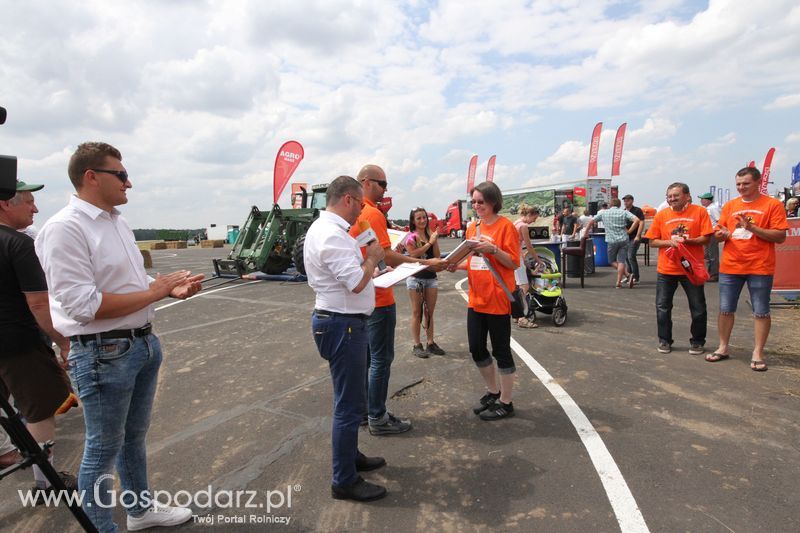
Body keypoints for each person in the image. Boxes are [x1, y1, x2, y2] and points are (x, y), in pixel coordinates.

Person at [35, 142, 203, 532]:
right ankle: (100, 526)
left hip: (138, 343)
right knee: (102, 447)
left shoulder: (116, 222)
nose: (130, 182)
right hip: (102, 351)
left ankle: (140, 509)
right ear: (91, 177)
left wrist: (165, 288)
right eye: (121, 175)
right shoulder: (65, 228)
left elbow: (129, 281)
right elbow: (82, 305)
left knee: (132, 437)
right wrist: (156, 291)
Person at [304, 176, 388, 502]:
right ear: (349, 199)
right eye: (360, 205)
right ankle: (343, 479)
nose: (361, 214)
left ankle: (351, 457)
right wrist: (372, 257)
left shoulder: (329, 231)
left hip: (343, 323)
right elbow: (354, 281)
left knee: (350, 401)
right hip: (343, 326)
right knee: (348, 405)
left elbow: (353, 277)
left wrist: (372, 270)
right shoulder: (331, 234)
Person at [350, 165, 445, 436]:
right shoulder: (372, 214)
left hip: (363, 296)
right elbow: (387, 255)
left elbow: (371, 255)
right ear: (366, 183)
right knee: (380, 359)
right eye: (382, 184)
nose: (386, 189)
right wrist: (423, 261)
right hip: (379, 298)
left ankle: (365, 412)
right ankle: (378, 417)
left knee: (367, 360)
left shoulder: (354, 215)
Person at [0, 179, 77, 497]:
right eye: (28, 202)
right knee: (40, 411)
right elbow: (37, 304)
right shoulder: (18, 244)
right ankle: (46, 484)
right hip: (19, 346)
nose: (35, 208)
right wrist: (61, 340)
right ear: (6, 203)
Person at [447, 181, 520, 420]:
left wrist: (493, 249)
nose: (477, 206)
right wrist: (455, 265)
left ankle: (506, 402)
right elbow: (473, 261)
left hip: (497, 297)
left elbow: (513, 262)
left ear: (493, 202)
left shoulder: (505, 226)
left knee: (501, 350)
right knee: (476, 348)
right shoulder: (472, 228)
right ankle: (493, 391)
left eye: (482, 202)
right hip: (476, 298)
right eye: (474, 202)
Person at [708, 167, 789, 371]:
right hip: (731, 266)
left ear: (758, 182)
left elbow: (780, 236)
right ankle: (723, 347)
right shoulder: (730, 205)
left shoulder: (772, 205)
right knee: (726, 309)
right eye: (738, 184)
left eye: (746, 183)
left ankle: (758, 352)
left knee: (761, 311)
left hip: (759, 266)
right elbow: (719, 231)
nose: (741, 187)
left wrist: (752, 228)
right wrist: (721, 235)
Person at [644, 183, 713, 355]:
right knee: (662, 307)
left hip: (691, 269)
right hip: (666, 269)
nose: (672, 199)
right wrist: (670, 242)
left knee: (698, 307)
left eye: (676, 195)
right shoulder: (662, 215)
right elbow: (652, 241)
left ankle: (697, 341)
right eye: (669, 196)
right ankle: (664, 340)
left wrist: (688, 241)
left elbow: (706, 238)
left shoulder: (700, 212)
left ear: (687, 196)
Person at [404, 207, 445, 357]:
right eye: (418, 218)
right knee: (417, 312)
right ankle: (417, 345)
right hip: (416, 278)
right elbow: (413, 255)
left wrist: (434, 241)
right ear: (413, 221)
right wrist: (429, 243)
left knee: (430, 312)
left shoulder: (430, 234)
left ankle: (430, 342)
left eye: (424, 217)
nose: (422, 221)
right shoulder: (411, 237)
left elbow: (437, 256)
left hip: (431, 278)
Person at [585, 198, 641, 288]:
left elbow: (591, 221)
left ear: (610, 205)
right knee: (621, 261)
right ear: (619, 205)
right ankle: (620, 281)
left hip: (612, 240)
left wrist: (585, 233)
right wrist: (630, 230)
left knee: (611, 261)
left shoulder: (604, 213)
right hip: (624, 239)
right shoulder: (624, 212)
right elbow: (637, 220)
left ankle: (627, 276)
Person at [513, 205, 543, 328]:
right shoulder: (524, 226)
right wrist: (538, 260)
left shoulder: (516, 222)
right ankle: (522, 318)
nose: (534, 221)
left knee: (516, 287)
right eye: (534, 218)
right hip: (516, 258)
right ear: (530, 215)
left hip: (512, 256)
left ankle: (516, 314)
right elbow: (529, 247)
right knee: (524, 287)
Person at [697, 192, 722, 282]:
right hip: (706, 233)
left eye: (702, 199)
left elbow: (719, 220)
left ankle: (714, 274)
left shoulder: (713, 208)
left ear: (707, 200)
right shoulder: (707, 208)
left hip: (712, 233)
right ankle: (708, 273)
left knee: (712, 255)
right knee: (706, 255)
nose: (701, 201)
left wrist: (716, 232)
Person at [622, 194, 645, 285]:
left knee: (631, 256)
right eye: (624, 201)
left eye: (627, 200)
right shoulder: (623, 211)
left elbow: (641, 223)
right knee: (627, 258)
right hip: (625, 238)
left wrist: (638, 235)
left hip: (634, 237)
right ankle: (629, 276)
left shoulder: (637, 210)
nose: (625, 202)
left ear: (632, 201)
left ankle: (636, 277)